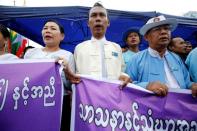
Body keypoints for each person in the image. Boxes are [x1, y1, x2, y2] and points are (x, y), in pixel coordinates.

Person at [24, 19, 79, 131]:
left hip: (59, 104)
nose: (48, 31)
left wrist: (66, 70)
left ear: (62, 36)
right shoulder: (30, 53)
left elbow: (70, 86)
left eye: (53, 28)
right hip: (33, 102)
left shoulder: (67, 56)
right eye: (45, 28)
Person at [126, 15, 197, 97]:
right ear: (146, 37)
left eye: (166, 29)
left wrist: (192, 86)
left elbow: (187, 82)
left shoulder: (176, 58)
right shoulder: (136, 59)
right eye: (157, 29)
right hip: (150, 108)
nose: (163, 32)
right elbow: (128, 85)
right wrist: (147, 86)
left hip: (180, 107)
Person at [74, 2, 131, 87]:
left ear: (108, 22)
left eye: (102, 15)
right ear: (88, 23)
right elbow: (74, 76)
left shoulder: (116, 48)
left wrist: (125, 77)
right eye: (93, 15)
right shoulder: (79, 48)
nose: (98, 19)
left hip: (113, 96)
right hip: (87, 97)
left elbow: (121, 72)